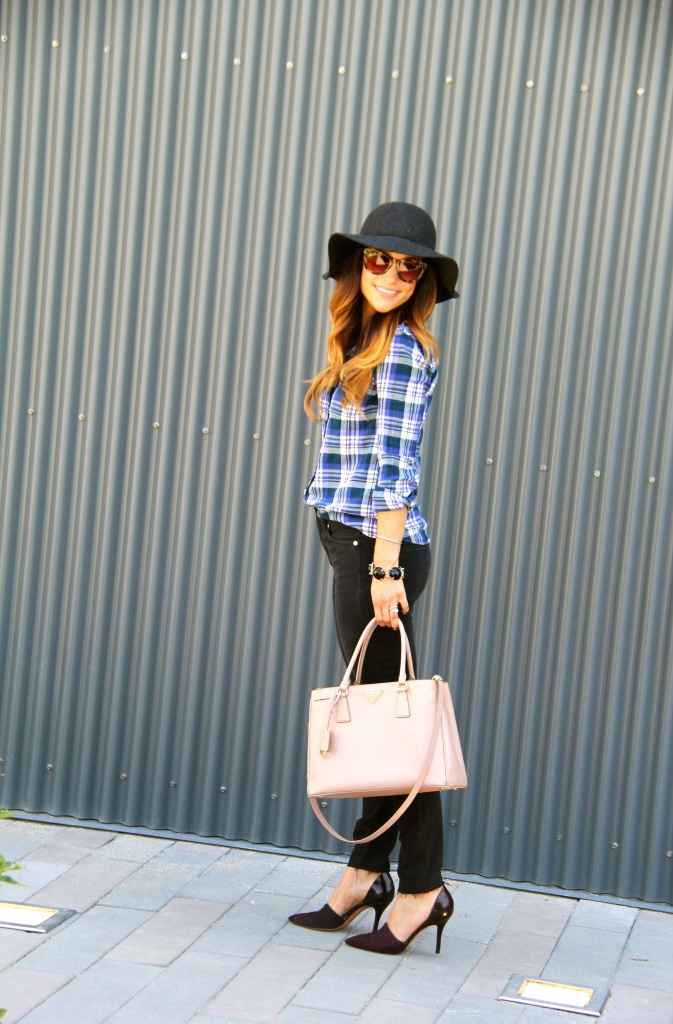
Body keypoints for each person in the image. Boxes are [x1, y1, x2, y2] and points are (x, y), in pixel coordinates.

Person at [289, 202, 460, 955]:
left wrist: (386, 567)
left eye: (407, 265)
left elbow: (398, 470)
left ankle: (421, 890)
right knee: (379, 718)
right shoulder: (365, 338)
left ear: (421, 278)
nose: (390, 274)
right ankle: (365, 876)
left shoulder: (400, 350)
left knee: (397, 727)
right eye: (378, 260)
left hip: (373, 550)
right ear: (358, 266)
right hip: (355, 545)